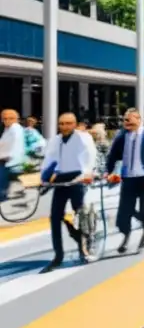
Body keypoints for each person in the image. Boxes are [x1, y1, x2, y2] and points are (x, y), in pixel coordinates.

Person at [39, 112, 95, 272]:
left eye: (68, 123)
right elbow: (49, 159)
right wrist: (43, 177)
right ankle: (58, 255)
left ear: (75, 124)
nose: (64, 127)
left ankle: (84, 249)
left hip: (78, 176)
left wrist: (87, 173)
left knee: (80, 215)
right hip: (61, 177)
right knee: (55, 217)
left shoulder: (83, 138)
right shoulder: (55, 140)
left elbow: (90, 156)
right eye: (61, 123)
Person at [105, 108, 144, 253]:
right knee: (123, 215)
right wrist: (108, 171)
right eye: (124, 120)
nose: (126, 122)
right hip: (128, 178)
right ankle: (126, 236)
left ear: (138, 120)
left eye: (129, 120)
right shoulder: (121, 137)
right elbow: (112, 156)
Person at [0, 109, 26, 201]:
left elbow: (12, 145)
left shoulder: (15, 128)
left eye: (10, 118)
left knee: (2, 178)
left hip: (9, 160)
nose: (7, 120)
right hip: (7, 159)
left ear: (16, 119)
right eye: (5, 118)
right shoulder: (8, 129)